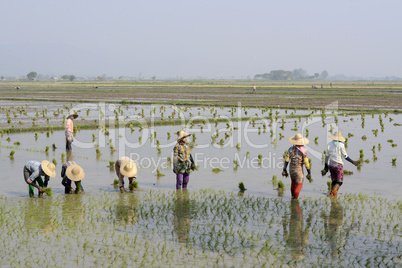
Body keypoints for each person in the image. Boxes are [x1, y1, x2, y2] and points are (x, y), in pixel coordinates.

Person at [322, 131, 359, 197]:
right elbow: (345, 156)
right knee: (339, 182)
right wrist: (353, 162)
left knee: (334, 180)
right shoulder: (341, 145)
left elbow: (326, 156)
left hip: (331, 165)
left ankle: (333, 195)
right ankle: (332, 193)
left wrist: (326, 167)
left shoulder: (329, 144)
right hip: (338, 165)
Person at [282, 133, 311, 199]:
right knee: (299, 185)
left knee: (293, 183)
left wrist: (284, 169)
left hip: (291, 168)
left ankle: (292, 197)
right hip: (299, 169)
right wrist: (309, 172)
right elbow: (306, 162)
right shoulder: (304, 151)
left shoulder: (290, 149)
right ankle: (295, 200)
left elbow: (286, 160)